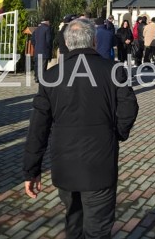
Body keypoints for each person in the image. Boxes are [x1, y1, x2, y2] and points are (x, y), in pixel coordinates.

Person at [23, 18, 139, 239]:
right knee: (97, 228)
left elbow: (38, 127)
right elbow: (129, 108)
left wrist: (31, 170)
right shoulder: (113, 70)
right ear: (94, 41)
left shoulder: (51, 75)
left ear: (67, 43)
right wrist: (116, 134)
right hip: (100, 163)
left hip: (65, 164)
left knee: (73, 221)